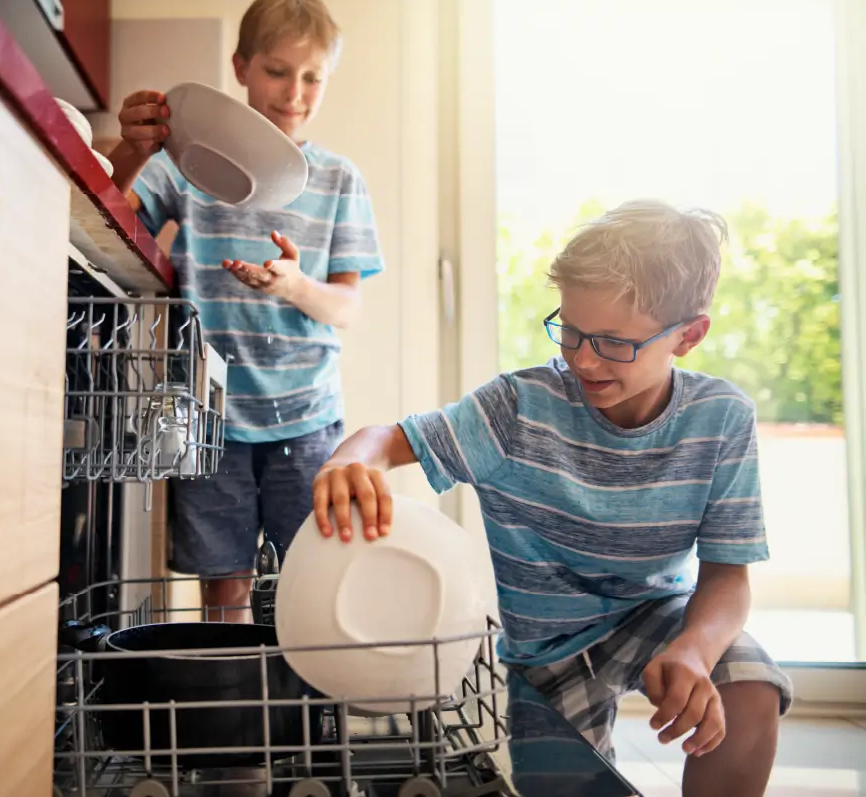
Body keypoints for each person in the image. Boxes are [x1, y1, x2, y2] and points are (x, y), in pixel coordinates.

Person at [311, 201, 793, 797]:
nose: (584, 359)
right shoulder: (517, 409)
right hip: (545, 656)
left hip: (654, 618)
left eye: (614, 343)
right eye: (570, 330)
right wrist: (349, 460)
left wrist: (694, 651)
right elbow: (388, 440)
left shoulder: (721, 419)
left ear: (689, 336)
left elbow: (727, 576)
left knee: (750, 684)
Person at [107, 0, 384, 621]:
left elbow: (347, 306)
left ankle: (302, 718)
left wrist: (294, 287)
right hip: (211, 421)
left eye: (313, 77)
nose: (294, 92)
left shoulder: (340, 180)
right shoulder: (188, 166)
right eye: (278, 71)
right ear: (241, 67)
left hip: (308, 419)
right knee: (224, 588)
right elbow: (111, 211)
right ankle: (235, 715)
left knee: (311, 588)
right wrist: (134, 148)